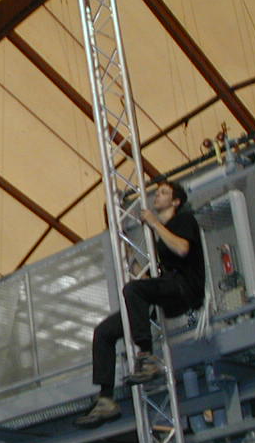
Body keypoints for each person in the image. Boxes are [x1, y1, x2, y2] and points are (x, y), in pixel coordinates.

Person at [75, 181, 204, 428]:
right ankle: (105, 397)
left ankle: (146, 356)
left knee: (133, 290)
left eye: (164, 193)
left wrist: (154, 223)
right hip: (166, 290)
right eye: (158, 192)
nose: (158, 196)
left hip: (184, 288)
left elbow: (182, 249)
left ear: (176, 201)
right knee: (104, 332)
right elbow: (146, 280)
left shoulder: (183, 221)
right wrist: (127, 252)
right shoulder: (159, 236)